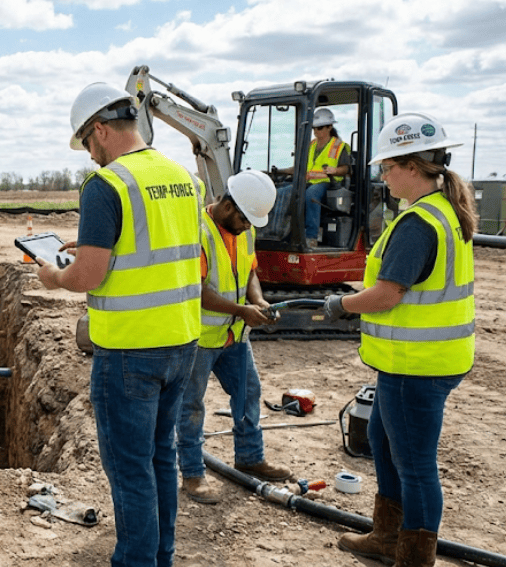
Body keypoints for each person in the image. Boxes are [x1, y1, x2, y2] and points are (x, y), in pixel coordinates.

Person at [36, 82, 202, 567]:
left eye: (87, 144)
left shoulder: (107, 184)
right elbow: (158, 248)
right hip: (182, 342)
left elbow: (89, 275)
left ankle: (136, 560)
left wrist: (53, 276)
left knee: (130, 472)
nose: (89, 156)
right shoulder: (181, 178)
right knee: (159, 460)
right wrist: (87, 243)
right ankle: (161, 556)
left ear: (102, 131)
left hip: (130, 351)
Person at [324, 112, 475, 567]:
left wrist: (340, 305)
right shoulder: (437, 212)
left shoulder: (420, 223)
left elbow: (388, 294)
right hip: (412, 360)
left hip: (419, 365)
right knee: (385, 444)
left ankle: (413, 554)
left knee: (414, 464)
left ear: (412, 166)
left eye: (387, 167)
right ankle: (387, 535)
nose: (383, 176)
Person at [176, 170, 293, 504]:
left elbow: (250, 270)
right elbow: (197, 291)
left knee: (248, 393)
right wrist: (243, 311)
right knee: (190, 407)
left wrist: (257, 301)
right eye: (244, 219)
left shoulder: (244, 231)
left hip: (233, 337)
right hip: (199, 338)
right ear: (227, 205)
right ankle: (193, 474)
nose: (247, 226)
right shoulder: (197, 232)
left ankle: (250, 457)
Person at [272, 107, 353, 247]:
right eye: (314, 128)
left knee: (311, 195)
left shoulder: (339, 146)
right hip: (308, 182)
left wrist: (335, 170)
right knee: (282, 192)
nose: (316, 131)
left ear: (329, 127)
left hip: (329, 183)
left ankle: (311, 236)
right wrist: (279, 171)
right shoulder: (310, 145)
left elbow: (346, 169)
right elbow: (299, 168)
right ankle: (277, 231)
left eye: (320, 128)